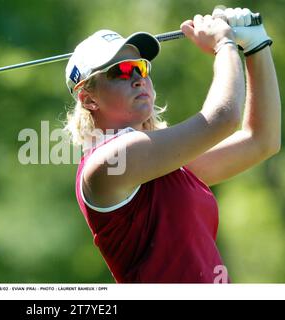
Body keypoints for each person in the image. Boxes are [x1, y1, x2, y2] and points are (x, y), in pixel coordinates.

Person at [63, 7, 281, 283]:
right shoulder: (108, 163)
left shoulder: (164, 167)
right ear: (88, 99)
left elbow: (262, 141)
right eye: (122, 71)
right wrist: (225, 45)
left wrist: (256, 46)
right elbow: (223, 118)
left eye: (140, 67)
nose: (138, 77)